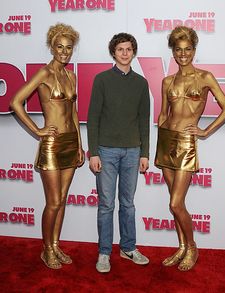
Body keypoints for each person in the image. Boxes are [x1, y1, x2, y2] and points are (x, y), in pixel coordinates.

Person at [155, 26, 225, 271]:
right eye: (178, 50)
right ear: (173, 52)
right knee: (173, 201)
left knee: (176, 204)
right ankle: (181, 247)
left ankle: (192, 246)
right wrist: (161, 125)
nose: (183, 54)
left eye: (188, 49)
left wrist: (206, 131)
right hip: (167, 142)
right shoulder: (167, 81)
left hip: (187, 143)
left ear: (194, 50)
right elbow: (162, 114)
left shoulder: (205, 77)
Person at [10, 23, 85, 269]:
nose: (64, 52)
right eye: (59, 47)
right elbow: (15, 102)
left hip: (71, 141)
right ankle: (45, 249)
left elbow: (73, 111)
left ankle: (54, 245)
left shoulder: (71, 75)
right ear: (51, 47)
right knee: (53, 202)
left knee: (62, 199)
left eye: (68, 48)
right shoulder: (44, 74)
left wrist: (80, 144)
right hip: (52, 144)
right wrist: (38, 130)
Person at [87, 33, 150, 273]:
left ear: (133, 52)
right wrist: (94, 152)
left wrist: (145, 153)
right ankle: (104, 252)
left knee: (128, 204)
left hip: (133, 152)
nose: (125, 53)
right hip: (106, 151)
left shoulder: (141, 83)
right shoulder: (101, 80)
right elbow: (93, 118)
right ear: (113, 52)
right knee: (106, 205)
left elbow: (144, 120)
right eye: (120, 49)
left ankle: (128, 248)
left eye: (129, 49)